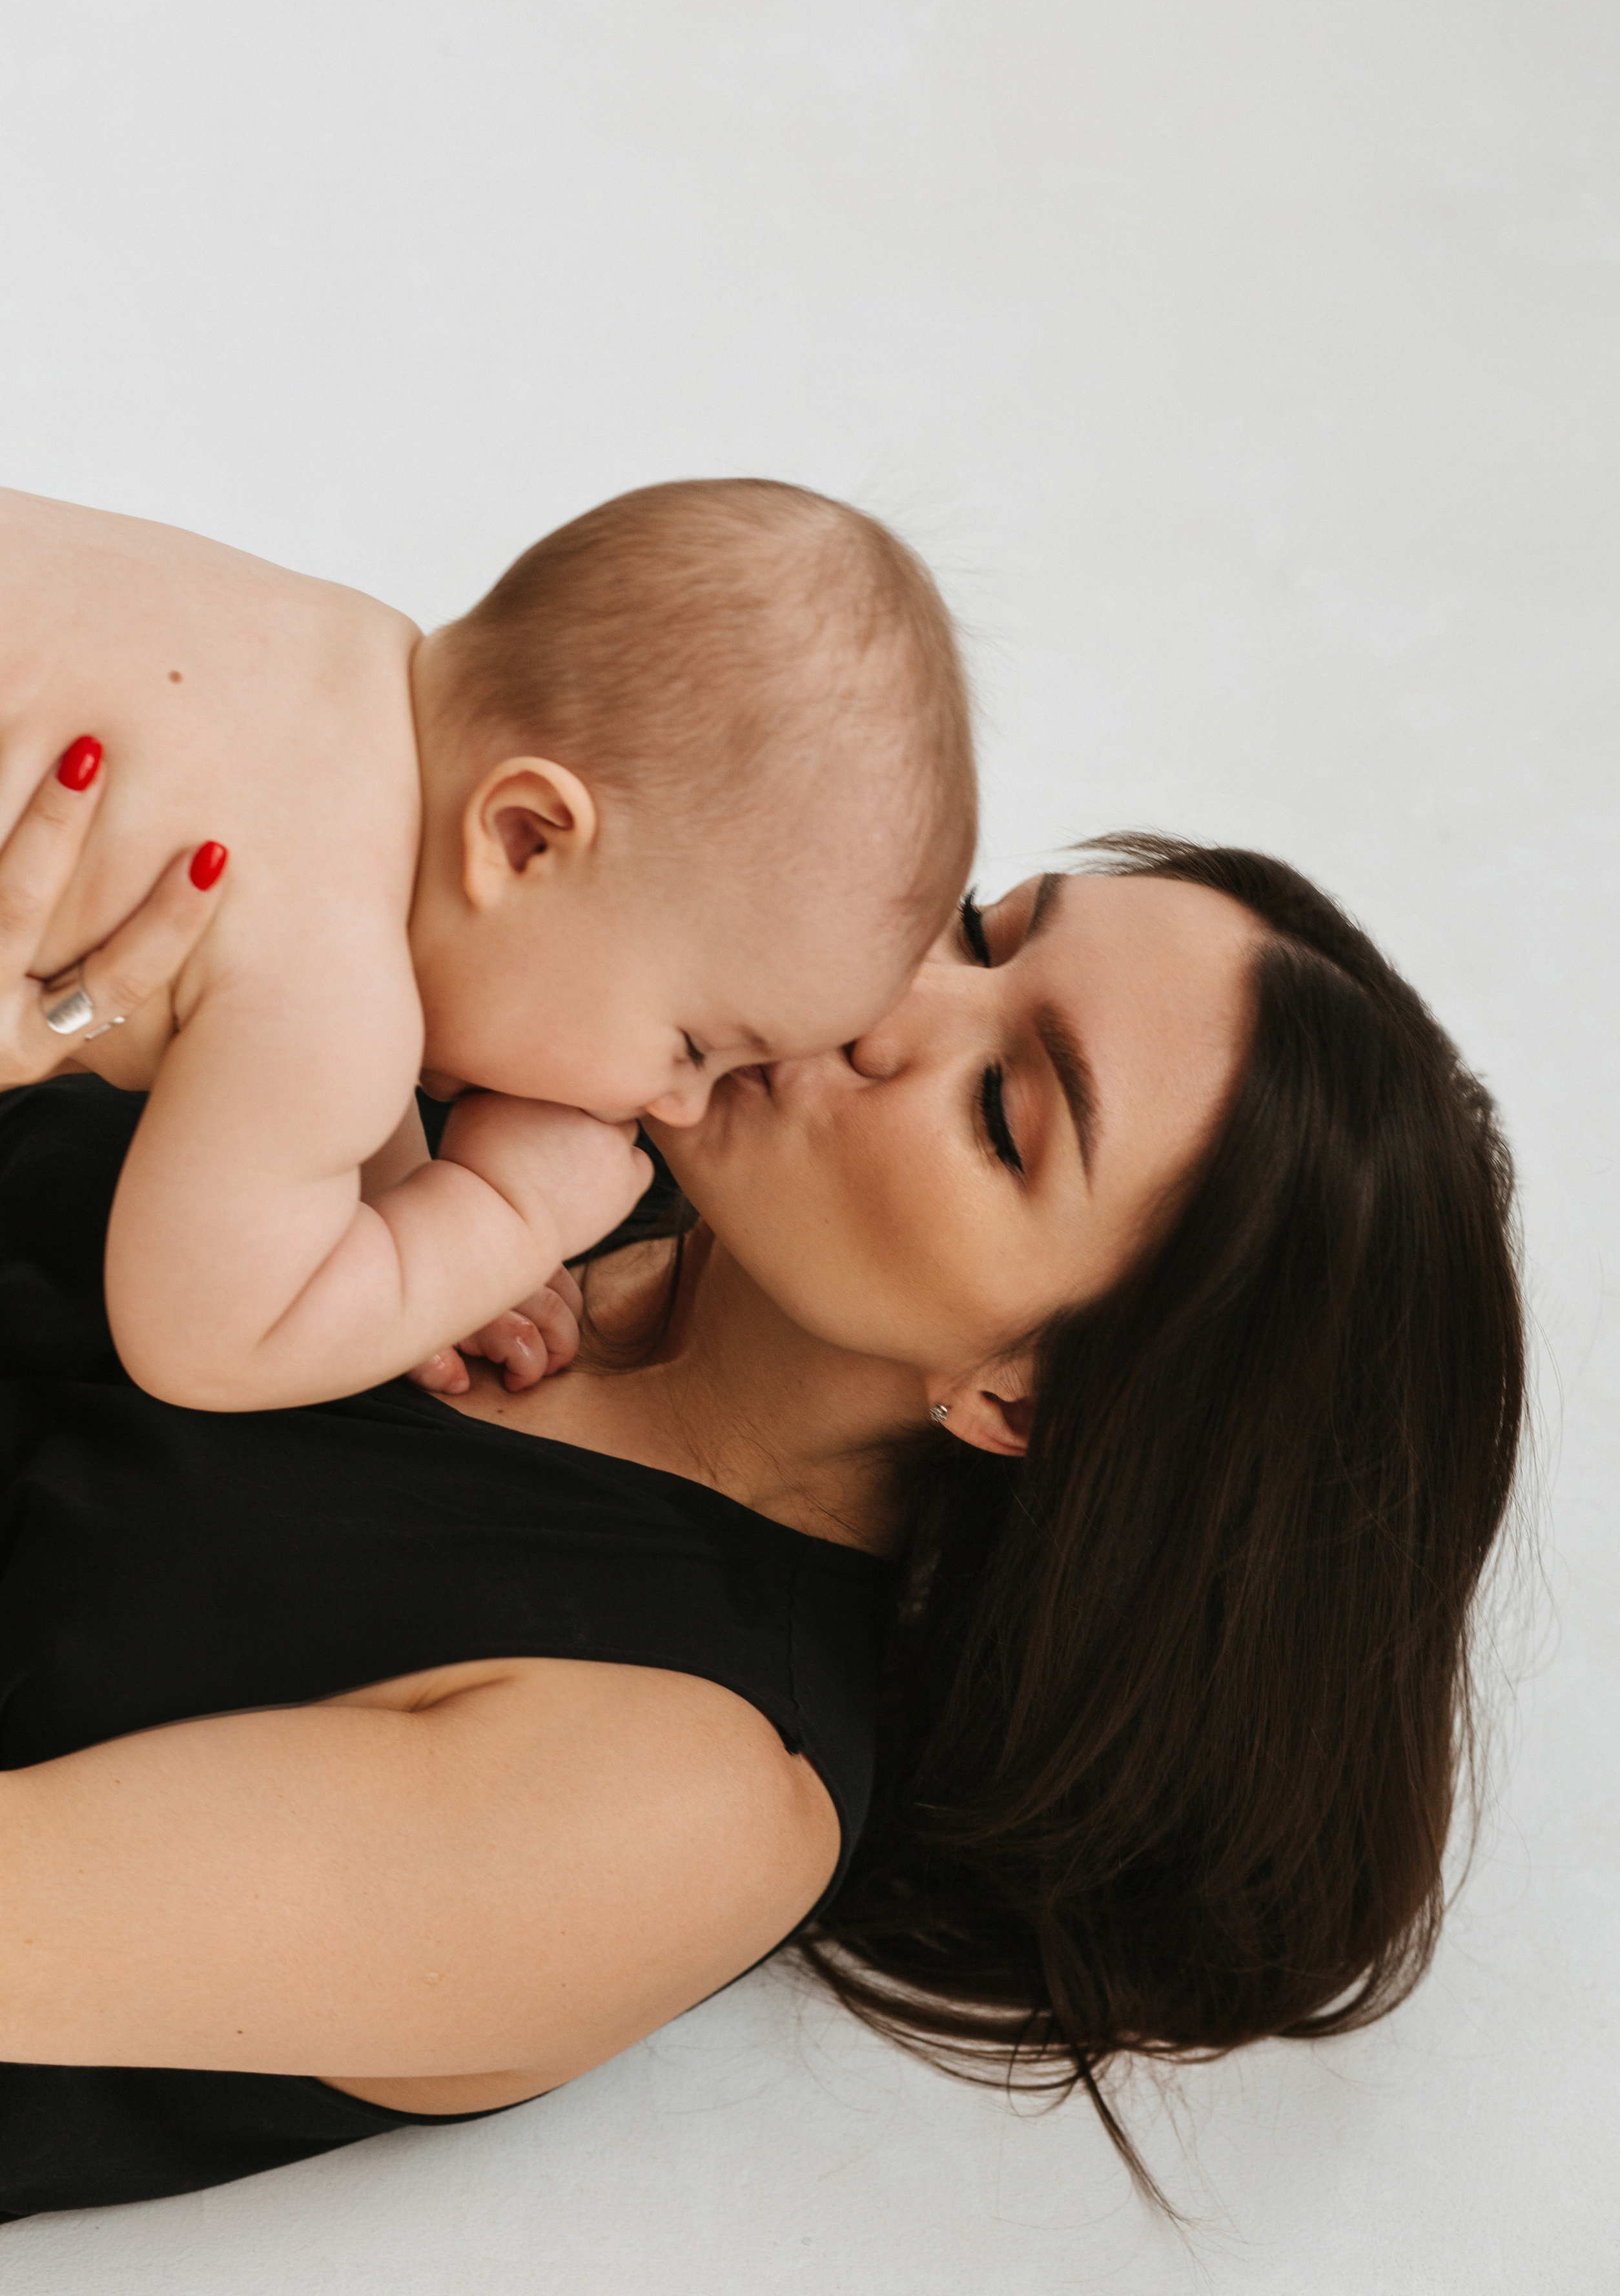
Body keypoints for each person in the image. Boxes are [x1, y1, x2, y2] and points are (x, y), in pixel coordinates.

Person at [0, 779, 1523, 2222]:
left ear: (1021, 1396)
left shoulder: (684, 1800)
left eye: (1001, 1110)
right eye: (976, 930)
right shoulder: (553, 1078)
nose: (887, 998)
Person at [0, 477, 973, 1412]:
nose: (677, 1106)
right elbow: (207, 1340)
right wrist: (498, 1217)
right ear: (525, 837)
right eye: (694, 1047)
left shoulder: (343, 647)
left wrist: (397, 1217)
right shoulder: (335, 992)